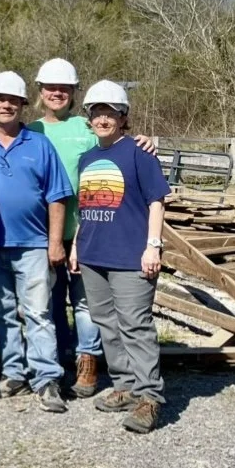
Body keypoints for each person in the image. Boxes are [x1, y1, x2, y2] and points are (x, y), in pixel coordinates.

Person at [0, 71, 73, 413]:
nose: (6, 105)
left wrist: (55, 242)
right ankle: (14, 372)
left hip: (33, 245)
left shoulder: (40, 144)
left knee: (39, 313)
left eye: (13, 100)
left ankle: (46, 378)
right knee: (2, 313)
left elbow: (57, 197)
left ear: (23, 105)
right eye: (0, 99)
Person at [70, 81, 170, 434]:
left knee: (135, 325)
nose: (102, 118)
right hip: (94, 254)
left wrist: (153, 245)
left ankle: (149, 397)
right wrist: (76, 246)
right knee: (107, 323)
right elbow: (85, 208)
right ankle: (125, 386)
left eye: (109, 112)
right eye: (96, 112)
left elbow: (156, 201)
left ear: (122, 116)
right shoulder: (88, 158)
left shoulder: (139, 153)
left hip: (131, 255)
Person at [29, 57, 104, 396]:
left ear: (74, 91)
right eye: (50, 87)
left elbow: (114, 150)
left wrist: (142, 140)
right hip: (40, 233)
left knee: (85, 301)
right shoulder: (30, 131)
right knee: (49, 301)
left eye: (64, 88)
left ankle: (88, 360)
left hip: (85, 229)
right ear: (40, 90)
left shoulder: (86, 130)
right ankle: (57, 358)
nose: (57, 93)